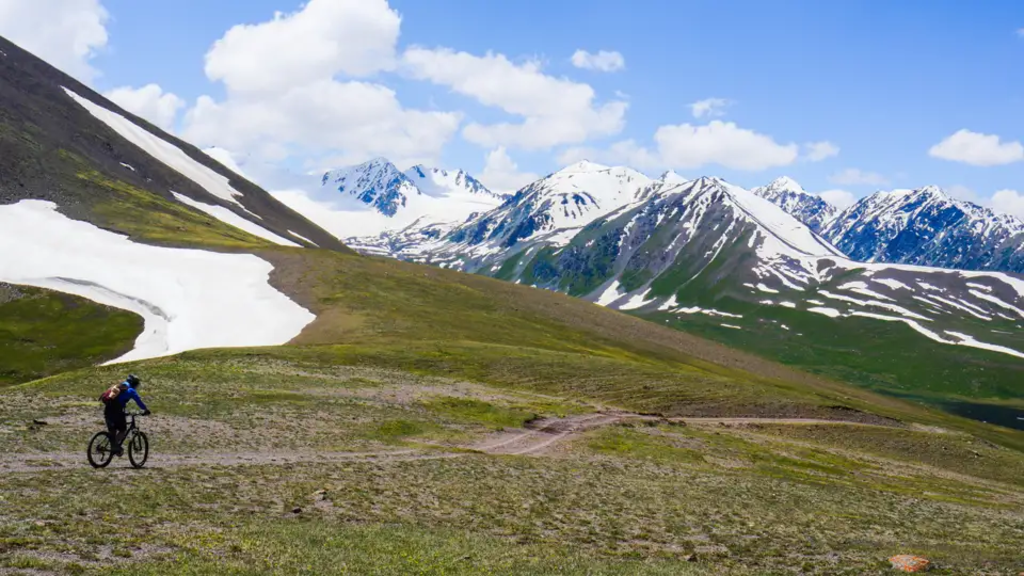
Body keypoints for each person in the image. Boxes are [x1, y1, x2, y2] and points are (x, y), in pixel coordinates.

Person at [104, 374, 150, 456]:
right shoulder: (131, 390)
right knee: (122, 430)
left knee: (113, 430)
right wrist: (145, 409)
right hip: (117, 411)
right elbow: (138, 401)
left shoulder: (119, 386)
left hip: (108, 409)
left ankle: (113, 446)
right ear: (134, 383)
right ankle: (115, 447)